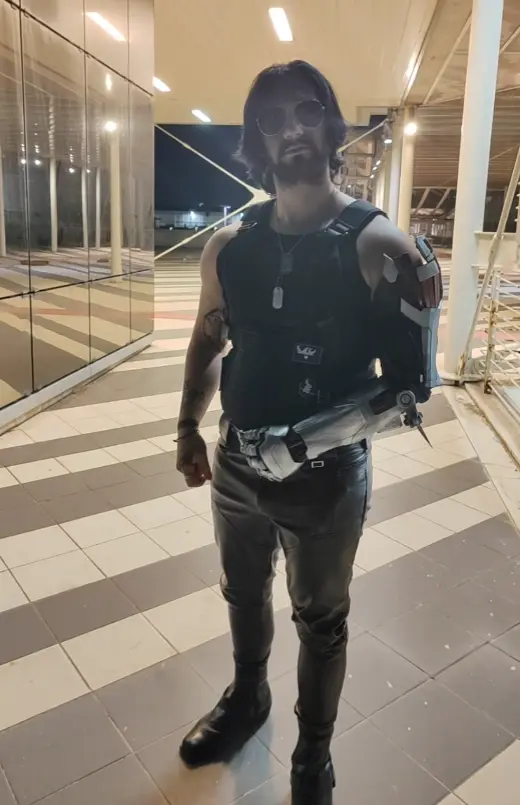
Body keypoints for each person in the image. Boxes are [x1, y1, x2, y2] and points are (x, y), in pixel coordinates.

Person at [175, 60, 441, 805]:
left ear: (330, 124)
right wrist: (186, 427)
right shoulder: (229, 245)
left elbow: (410, 389)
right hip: (235, 464)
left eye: (306, 111)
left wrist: (301, 444)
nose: (290, 128)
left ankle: (311, 759)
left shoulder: (380, 245)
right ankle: (247, 697)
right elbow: (208, 338)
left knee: (321, 619)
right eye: (272, 117)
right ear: (256, 138)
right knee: (241, 591)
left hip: (326, 482)